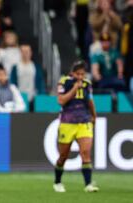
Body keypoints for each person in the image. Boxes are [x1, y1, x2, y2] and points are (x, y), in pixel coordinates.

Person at [53, 60, 99, 193]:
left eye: (82, 74)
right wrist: (74, 88)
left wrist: (94, 116)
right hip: (67, 123)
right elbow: (61, 101)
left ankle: (88, 184)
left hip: (84, 122)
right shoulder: (64, 82)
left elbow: (90, 100)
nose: (80, 77)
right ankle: (57, 182)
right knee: (63, 156)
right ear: (72, 73)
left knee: (85, 153)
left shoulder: (87, 84)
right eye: (78, 74)